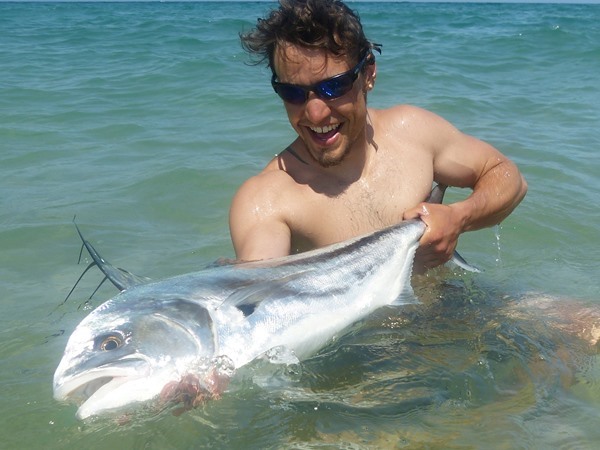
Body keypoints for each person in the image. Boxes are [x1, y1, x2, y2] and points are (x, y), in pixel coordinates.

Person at [229, 0, 527, 270]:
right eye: (292, 92)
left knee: (573, 320)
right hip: (366, 332)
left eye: (333, 87)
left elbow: (507, 176)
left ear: (368, 74)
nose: (315, 113)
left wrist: (459, 218)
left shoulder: (413, 132)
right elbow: (257, 294)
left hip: (449, 306)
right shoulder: (266, 198)